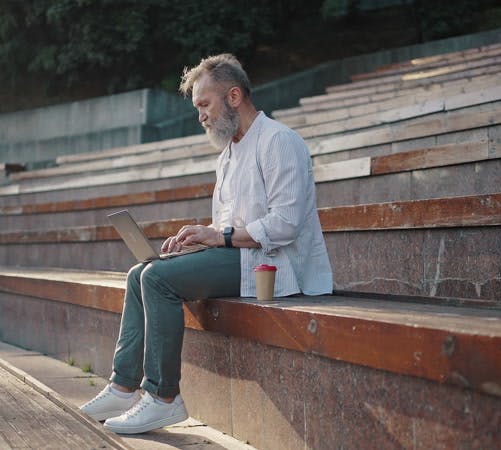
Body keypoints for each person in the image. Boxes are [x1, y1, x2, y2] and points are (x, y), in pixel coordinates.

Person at [80, 53, 333, 434]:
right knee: (139, 273)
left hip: (274, 265)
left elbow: (285, 225)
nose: (200, 116)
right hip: (240, 255)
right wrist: (200, 238)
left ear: (233, 96)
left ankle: (164, 398)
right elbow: (228, 225)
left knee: (156, 280)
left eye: (204, 104)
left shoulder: (279, 141)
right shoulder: (229, 154)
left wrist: (219, 236)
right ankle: (122, 385)